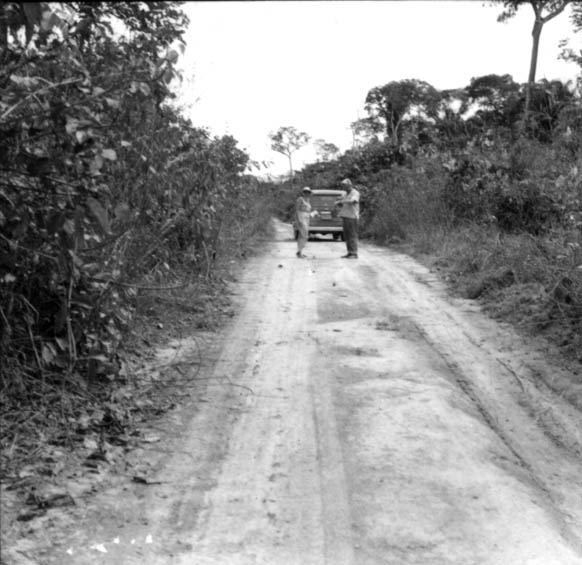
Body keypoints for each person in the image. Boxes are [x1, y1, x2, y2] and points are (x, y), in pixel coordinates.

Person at [335, 178, 360, 259]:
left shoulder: (355, 193)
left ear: (349, 185)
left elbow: (354, 201)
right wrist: (339, 203)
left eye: (344, 185)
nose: (343, 187)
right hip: (345, 216)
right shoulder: (345, 194)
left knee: (352, 234)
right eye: (342, 186)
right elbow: (344, 204)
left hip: (352, 217)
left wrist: (342, 201)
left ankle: (354, 253)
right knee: (347, 235)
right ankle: (349, 252)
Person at [295, 186, 317, 258]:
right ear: (303, 192)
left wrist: (314, 213)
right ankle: (299, 252)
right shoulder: (300, 199)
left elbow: (308, 212)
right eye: (305, 192)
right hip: (301, 217)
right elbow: (297, 210)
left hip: (307, 217)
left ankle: (300, 251)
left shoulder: (308, 200)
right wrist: (299, 220)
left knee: (303, 235)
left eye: (308, 192)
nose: (307, 193)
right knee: (304, 235)